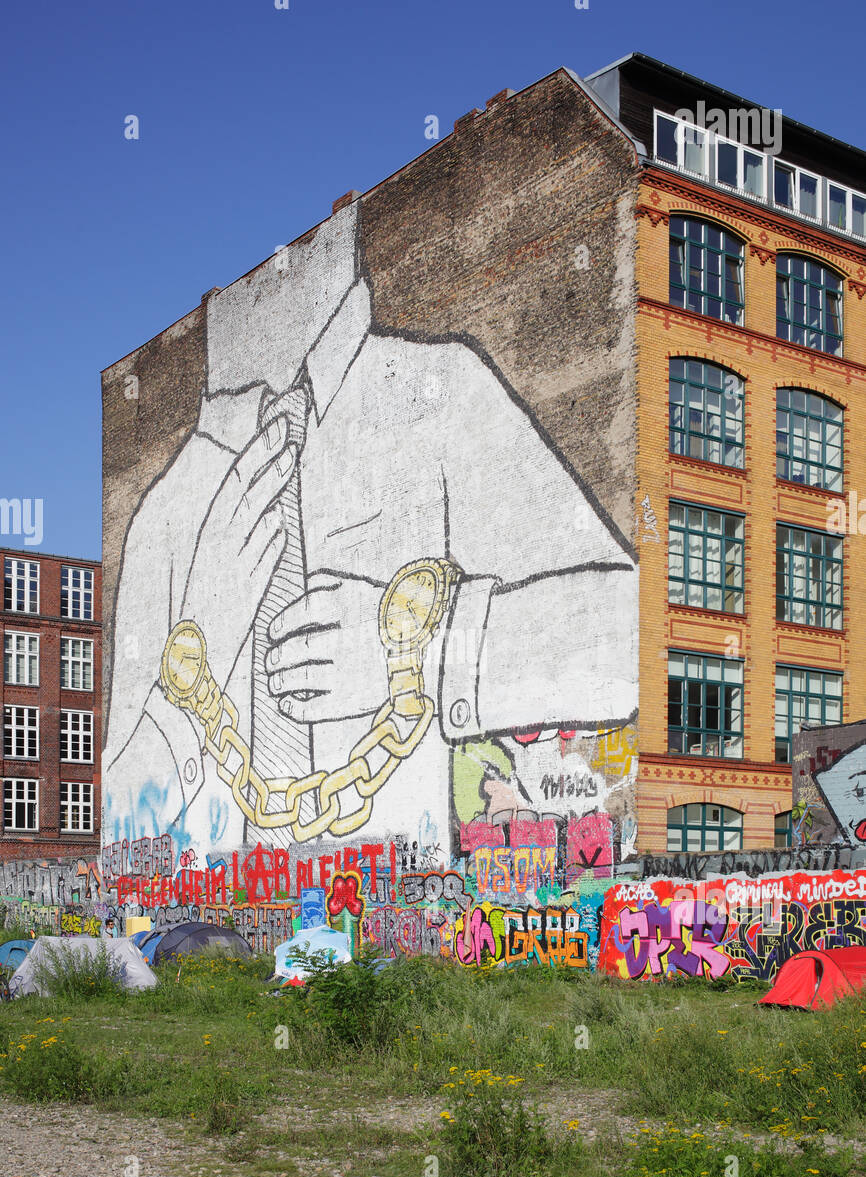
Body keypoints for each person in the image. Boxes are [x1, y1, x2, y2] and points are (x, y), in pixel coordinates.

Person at [104, 203, 637, 856]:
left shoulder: (441, 394)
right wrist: (205, 641)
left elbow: (627, 634)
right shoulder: (163, 513)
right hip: (210, 915)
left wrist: (417, 653)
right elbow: (116, 802)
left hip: (417, 916)